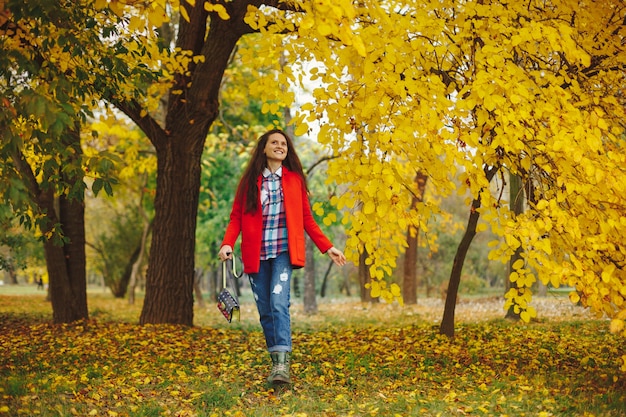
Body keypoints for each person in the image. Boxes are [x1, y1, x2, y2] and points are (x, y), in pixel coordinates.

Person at [218, 129, 346, 384]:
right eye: (274, 143)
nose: (280, 146)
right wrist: (227, 244)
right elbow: (236, 218)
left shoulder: (294, 180)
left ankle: (282, 367)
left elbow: (306, 219)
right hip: (256, 255)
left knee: (278, 304)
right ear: (263, 149)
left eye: (283, 144)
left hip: (283, 253)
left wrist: (327, 246)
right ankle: (275, 362)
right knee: (265, 310)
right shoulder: (249, 182)